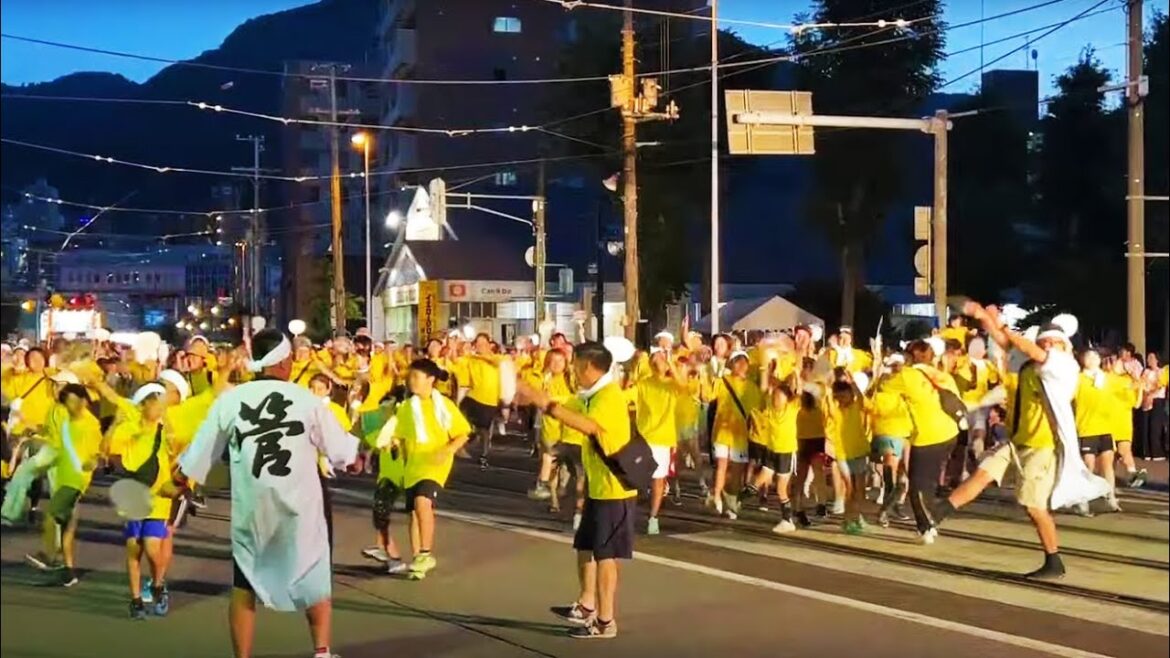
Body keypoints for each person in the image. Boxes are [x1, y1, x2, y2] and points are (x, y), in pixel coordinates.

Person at [176, 329, 359, 658]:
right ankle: (321, 650)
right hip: (302, 506)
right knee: (314, 574)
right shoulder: (305, 400)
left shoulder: (231, 400)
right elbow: (341, 450)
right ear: (284, 360)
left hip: (253, 509)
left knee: (244, 583)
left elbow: (199, 455)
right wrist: (353, 458)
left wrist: (182, 478)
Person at [933, 303, 1110, 579]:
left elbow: (1028, 348)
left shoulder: (1065, 366)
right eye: (1044, 340)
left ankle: (1054, 560)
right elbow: (1009, 346)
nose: (1047, 345)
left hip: (1042, 447)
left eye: (1053, 341)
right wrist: (983, 317)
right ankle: (938, 513)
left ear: (1063, 345)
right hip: (1018, 441)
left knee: (1033, 507)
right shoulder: (1030, 367)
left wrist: (999, 325)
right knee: (983, 472)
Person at [517, 341, 635, 640]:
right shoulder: (590, 394)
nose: (572, 370)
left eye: (575, 365)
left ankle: (606, 621)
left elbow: (587, 425)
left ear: (588, 367)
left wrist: (546, 405)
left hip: (614, 488)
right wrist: (532, 394)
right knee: (585, 545)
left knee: (606, 554)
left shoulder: (608, 396)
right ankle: (586, 604)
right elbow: (563, 403)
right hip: (597, 486)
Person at [385, 358, 472, 579]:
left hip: (436, 463)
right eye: (410, 377)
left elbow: (462, 433)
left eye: (416, 377)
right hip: (413, 464)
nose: (411, 381)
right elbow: (400, 437)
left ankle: (425, 553)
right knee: (414, 512)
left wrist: (447, 450)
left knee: (422, 503)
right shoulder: (405, 407)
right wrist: (393, 445)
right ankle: (418, 560)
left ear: (430, 379)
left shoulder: (443, 405)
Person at [24, 382, 103, 587]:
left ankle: (50, 557)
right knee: (68, 524)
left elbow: (94, 454)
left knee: (53, 516)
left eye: (75, 401)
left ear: (84, 401)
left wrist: (87, 467)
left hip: (75, 480)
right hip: (63, 475)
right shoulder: (68, 421)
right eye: (67, 402)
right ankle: (68, 571)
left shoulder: (90, 424)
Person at [881, 340, 960, 544]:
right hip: (950, 433)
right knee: (929, 483)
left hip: (926, 436)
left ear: (911, 356)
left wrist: (892, 370)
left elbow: (883, 386)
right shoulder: (943, 376)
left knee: (916, 486)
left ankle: (926, 528)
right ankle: (930, 521)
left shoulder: (907, 376)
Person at [1073, 349, 1121, 514]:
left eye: (1095, 357)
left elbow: (1124, 388)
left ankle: (1111, 497)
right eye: (1088, 357)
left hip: (1105, 429)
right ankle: (1083, 500)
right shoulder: (1078, 379)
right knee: (1088, 466)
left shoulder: (1106, 378)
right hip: (1086, 428)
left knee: (1108, 465)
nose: (1092, 359)